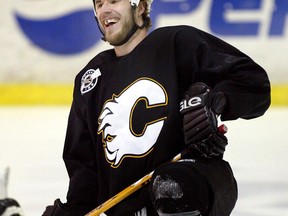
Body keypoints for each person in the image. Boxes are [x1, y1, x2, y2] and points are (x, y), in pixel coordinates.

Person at [42, 0, 270, 215]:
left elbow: (253, 82)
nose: (104, 10)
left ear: (140, 6)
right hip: (128, 206)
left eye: (113, 1)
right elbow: (83, 166)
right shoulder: (90, 79)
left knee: (171, 185)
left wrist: (216, 102)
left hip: (196, 181)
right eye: (99, 4)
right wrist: (73, 210)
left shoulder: (177, 43)